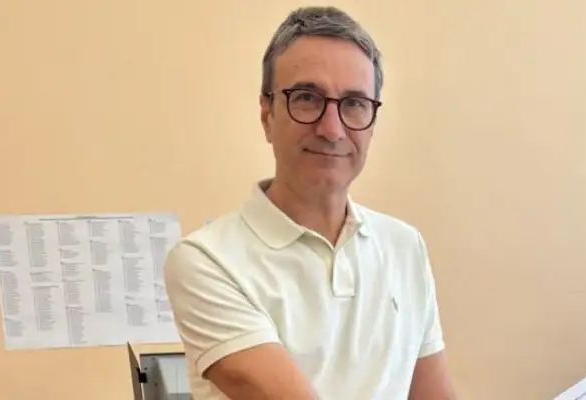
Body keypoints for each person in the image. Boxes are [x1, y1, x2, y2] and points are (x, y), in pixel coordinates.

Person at [164, 6, 457, 400]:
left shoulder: (405, 246)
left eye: (354, 103)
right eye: (306, 98)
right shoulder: (207, 261)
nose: (332, 129)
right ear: (267, 115)